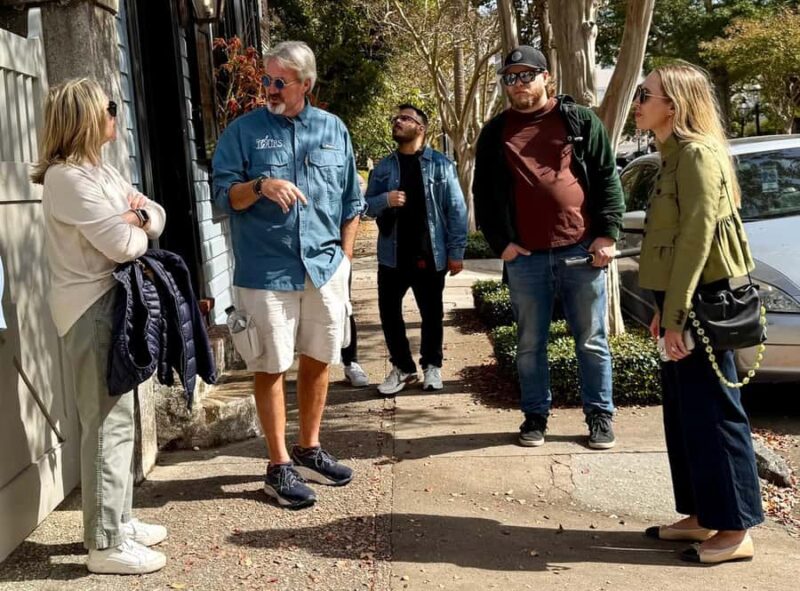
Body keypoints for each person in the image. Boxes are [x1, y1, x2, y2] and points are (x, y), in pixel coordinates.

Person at [212, 41, 363, 509]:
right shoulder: (244, 132)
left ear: (306, 85)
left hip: (324, 269)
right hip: (265, 271)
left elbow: (351, 204)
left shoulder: (334, 130)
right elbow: (223, 198)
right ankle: (278, 466)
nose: (271, 89)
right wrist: (260, 186)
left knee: (320, 358)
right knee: (271, 364)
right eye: (267, 79)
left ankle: (309, 448)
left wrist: (345, 259)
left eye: (281, 82)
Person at [31, 78, 168, 574]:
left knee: (121, 418)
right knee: (106, 423)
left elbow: (156, 215)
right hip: (91, 309)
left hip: (113, 304)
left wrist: (138, 217)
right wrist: (135, 221)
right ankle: (106, 545)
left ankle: (118, 521)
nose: (117, 113)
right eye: (109, 107)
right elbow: (124, 245)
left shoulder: (100, 172)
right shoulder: (69, 179)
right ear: (86, 116)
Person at [635, 63, 763, 564]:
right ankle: (700, 514)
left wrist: (677, 313)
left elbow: (696, 237)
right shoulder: (671, 154)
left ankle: (734, 528)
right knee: (686, 413)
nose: (639, 101)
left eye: (646, 94)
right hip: (684, 299)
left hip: (705, 300)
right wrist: (662, 309)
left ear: (674, 104)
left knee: (714, 414)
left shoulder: (697, 154)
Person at [473, 46, 625, 449]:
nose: (519, 84)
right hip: (526, 259)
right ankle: (535, 416)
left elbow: (608, 178)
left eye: (527, 75)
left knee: (591, 340)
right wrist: (501, 243)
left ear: (546, 77)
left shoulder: (579, 121)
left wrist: (607, 235)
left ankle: (599, 416)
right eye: (511, 77)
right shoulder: (495, 131)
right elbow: (484, 194)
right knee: (529, 344)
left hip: (580, 251)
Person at [365, 104, 467, 395]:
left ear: (420, 128)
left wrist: (456, 251)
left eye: (405, 118)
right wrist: (386, 198)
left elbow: (456, 209)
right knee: (389, 313)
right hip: (392, 254)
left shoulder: (441, 165)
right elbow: (365, 207)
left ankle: (432, 367)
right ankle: (403, 368)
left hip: (429, 253)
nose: (398, 121)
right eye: (396, 117)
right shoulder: (384, 167)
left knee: (431, 313)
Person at [341, 175, 369, 387]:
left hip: (333, 252)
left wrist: (346, 251)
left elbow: (356, 195)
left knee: (343, 307)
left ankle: (351, 362)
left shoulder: (337, 151)